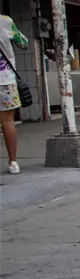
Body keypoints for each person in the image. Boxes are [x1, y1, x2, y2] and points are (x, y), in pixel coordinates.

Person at [0, 14, 28, 174]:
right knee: (7, 121)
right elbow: (23, 43)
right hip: (5, 79)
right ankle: (13, 162)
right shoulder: (6, 21)